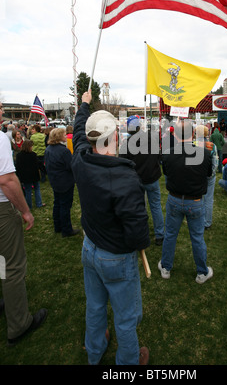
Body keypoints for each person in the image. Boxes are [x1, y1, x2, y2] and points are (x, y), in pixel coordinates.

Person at [71, 90, 150, 365]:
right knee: (126, 318)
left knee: (95, 307)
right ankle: (127, 364)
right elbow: (138, 231)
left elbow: (79, 131)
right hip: (115, 256)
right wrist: (139, 243)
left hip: (90, 248)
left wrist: (83, 104)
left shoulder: (80, 158)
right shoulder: (125, 177)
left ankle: (94, 352)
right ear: (115, 136)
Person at [0, 101, 47, 346]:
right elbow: (7, 180)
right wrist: (25, 211)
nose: (2, 112)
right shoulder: (0, 139)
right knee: (12, 266)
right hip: (3, 210)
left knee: (1, 261)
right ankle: (19, 324)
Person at [159, 120, 213, 284]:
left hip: (178, 199)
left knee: (171, 235)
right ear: (193, 134)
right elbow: (208, 175)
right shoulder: (204, 154)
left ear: (175, 134)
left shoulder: (169, 154)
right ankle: (199, 271)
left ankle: (167, 267)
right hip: (191, 200)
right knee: (196, 237)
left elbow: (167, 173)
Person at [120, 115, 165, 246]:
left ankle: (157, 235)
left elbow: (123, 164)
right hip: (145, 179)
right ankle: (158, 234)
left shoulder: (128, 143)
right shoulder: (150, 138)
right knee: (152, 206)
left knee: (143, 207)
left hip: (142, 179)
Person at [44, 127, 79, 238]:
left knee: (57, 203)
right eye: (64, 134)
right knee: (65, 206)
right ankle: (66, 229)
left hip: (55, 180)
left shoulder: (49, 148)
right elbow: (71, 166)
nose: (66, 136)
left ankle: (57, 226)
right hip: (65, 182)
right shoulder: (64, 151)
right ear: (59, 136)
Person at [196, 125, 218, 230]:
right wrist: (211, 174)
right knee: (208, 199)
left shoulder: (193, 145)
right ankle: (207, 222)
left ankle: (197, 220)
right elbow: (215, 162)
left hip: (196, 175)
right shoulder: (212, 145)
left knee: (197, 198)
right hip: (209, 175)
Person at [15, 139, 45, 210]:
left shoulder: (19, 156)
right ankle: (39, 203)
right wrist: (44, 170)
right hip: (34, 174)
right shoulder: (33, 155)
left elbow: (17, 166)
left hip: (25, 176)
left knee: (28, 190)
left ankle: (29, 206)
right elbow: (38, 164)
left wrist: (18, 175)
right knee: (36, 188)